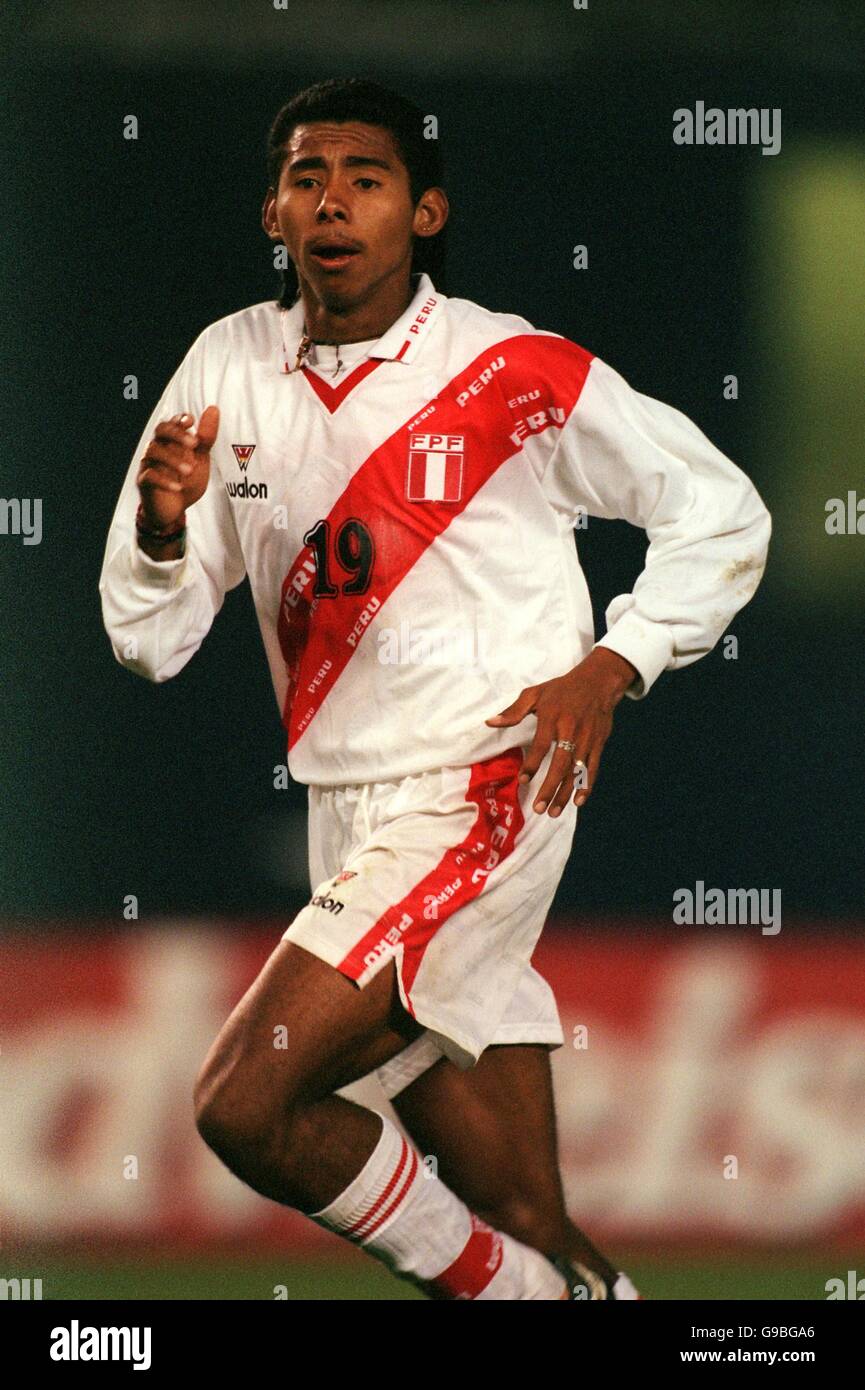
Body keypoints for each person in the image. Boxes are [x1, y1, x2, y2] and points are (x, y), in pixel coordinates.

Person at [99, 77, 771, 1300]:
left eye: (366, 178)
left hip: (485, 785)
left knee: (244, 1104)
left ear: (424, 211)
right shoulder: (227, 368)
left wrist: (614, 663)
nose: (333, 201)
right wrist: (157, 532)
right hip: (348, 811)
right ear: (272, 214)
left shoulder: (510, 366)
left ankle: (507, 1293)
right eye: (307, 178)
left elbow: (719, 508)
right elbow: (150, 643)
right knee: (523, 1207)